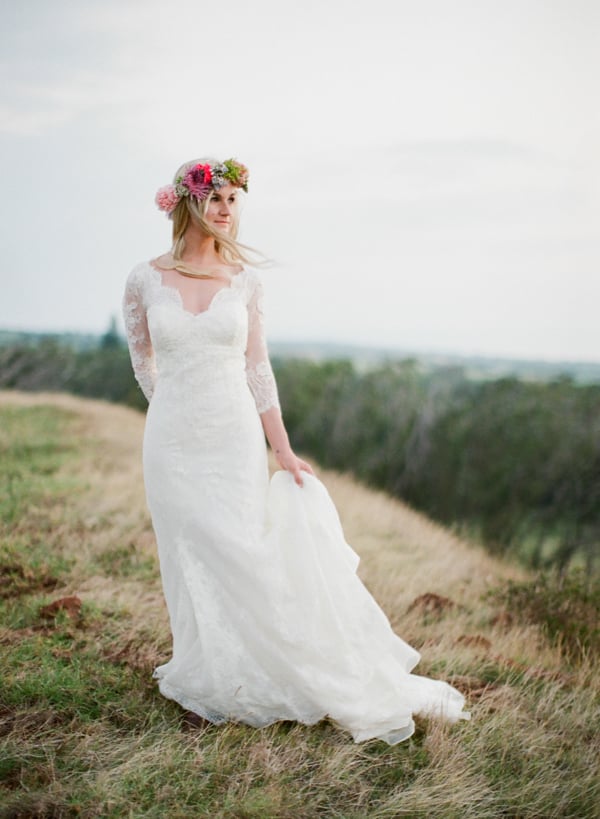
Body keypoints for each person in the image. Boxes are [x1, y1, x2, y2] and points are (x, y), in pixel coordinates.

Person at [122, 157, 470, 745]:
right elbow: (141, 355)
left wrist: (281, 448)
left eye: (235, 200)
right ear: (188, 203)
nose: (226, 210)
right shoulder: (144, 277)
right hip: (172, 441)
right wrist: (171, 406)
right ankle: (210, 665)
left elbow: (258, 367)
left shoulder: (247, 281)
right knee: (189, 550)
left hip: (233, 435)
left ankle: (273, 663)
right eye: (216, 199)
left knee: (240, 546)